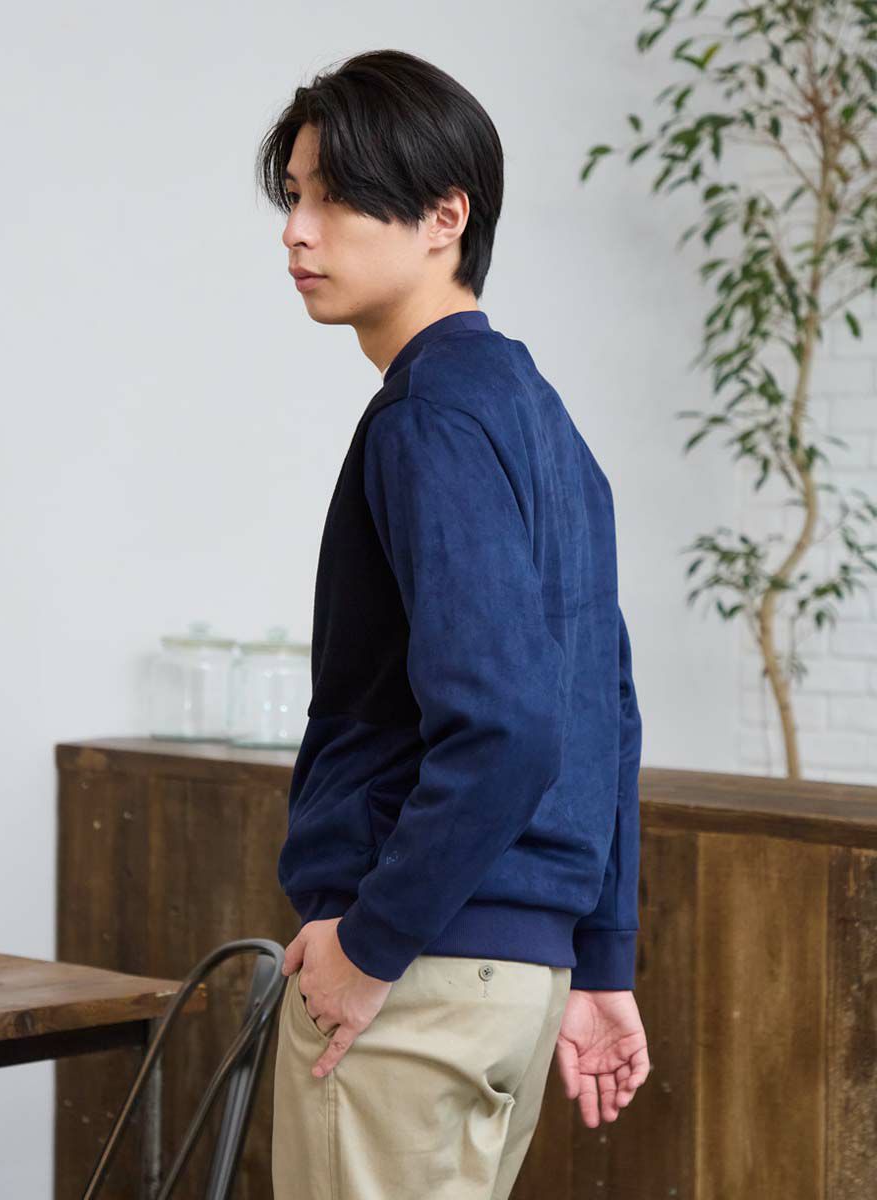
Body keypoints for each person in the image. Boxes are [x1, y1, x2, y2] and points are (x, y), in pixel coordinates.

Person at [255, 47, 651, 1200]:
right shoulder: (545, 424)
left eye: (335, 196)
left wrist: (369, 946)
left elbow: (511, 727)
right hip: (514, 985)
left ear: (445, 216)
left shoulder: (428, 419)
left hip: (417, 974)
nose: (297, 231)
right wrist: (598, 960)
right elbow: (605, 709)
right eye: (293, 195)